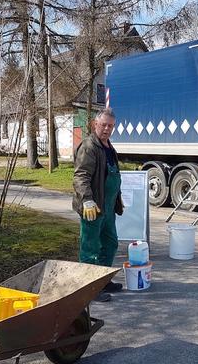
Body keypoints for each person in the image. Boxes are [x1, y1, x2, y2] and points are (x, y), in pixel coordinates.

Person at [72, 108, 124, 302]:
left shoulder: (109, 147)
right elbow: (80, 176)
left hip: (108, 208)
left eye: (110, 126)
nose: (106, 129)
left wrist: (117, 200)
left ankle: (102, 280)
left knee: (110, 244)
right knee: (90, 247)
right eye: (103, 125)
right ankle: (88, 288)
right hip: (92, 208)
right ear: (95, 124)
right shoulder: (89, 147)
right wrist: (87, 200)